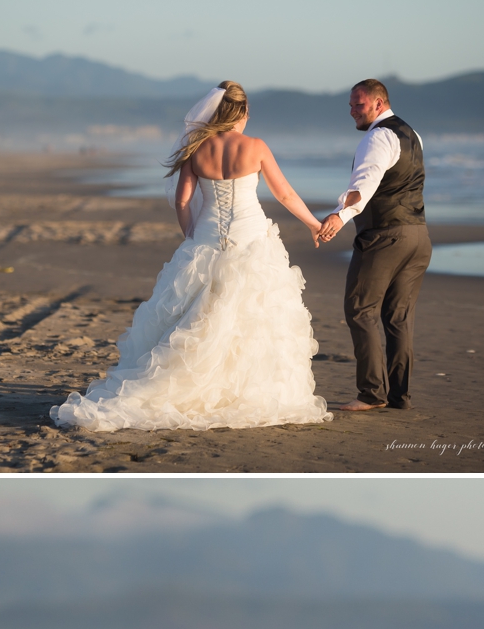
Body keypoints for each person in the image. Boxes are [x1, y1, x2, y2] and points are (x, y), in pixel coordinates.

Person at [50, 83, 332, 432]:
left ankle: (186, 384)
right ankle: (237, 390)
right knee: (252, 316)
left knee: (200, 314)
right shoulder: (256, 147)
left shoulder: (197, 148)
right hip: (251, 238)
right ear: (242, 112)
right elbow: (285, 194)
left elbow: (182, 201)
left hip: (207, 238)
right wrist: (314, 225)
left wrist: (192, 236)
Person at [316, 80, 432, 413]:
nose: (353, 111)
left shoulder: (378, 137)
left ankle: (371, 393)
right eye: (351, 105)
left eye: (359, 104)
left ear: (379, 104)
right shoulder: (412, 135)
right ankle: (399, 396)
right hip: (418, 236)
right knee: (399, 318)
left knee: (360, 310)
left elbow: (363, 186)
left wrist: (339, 216)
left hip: (385, 238)